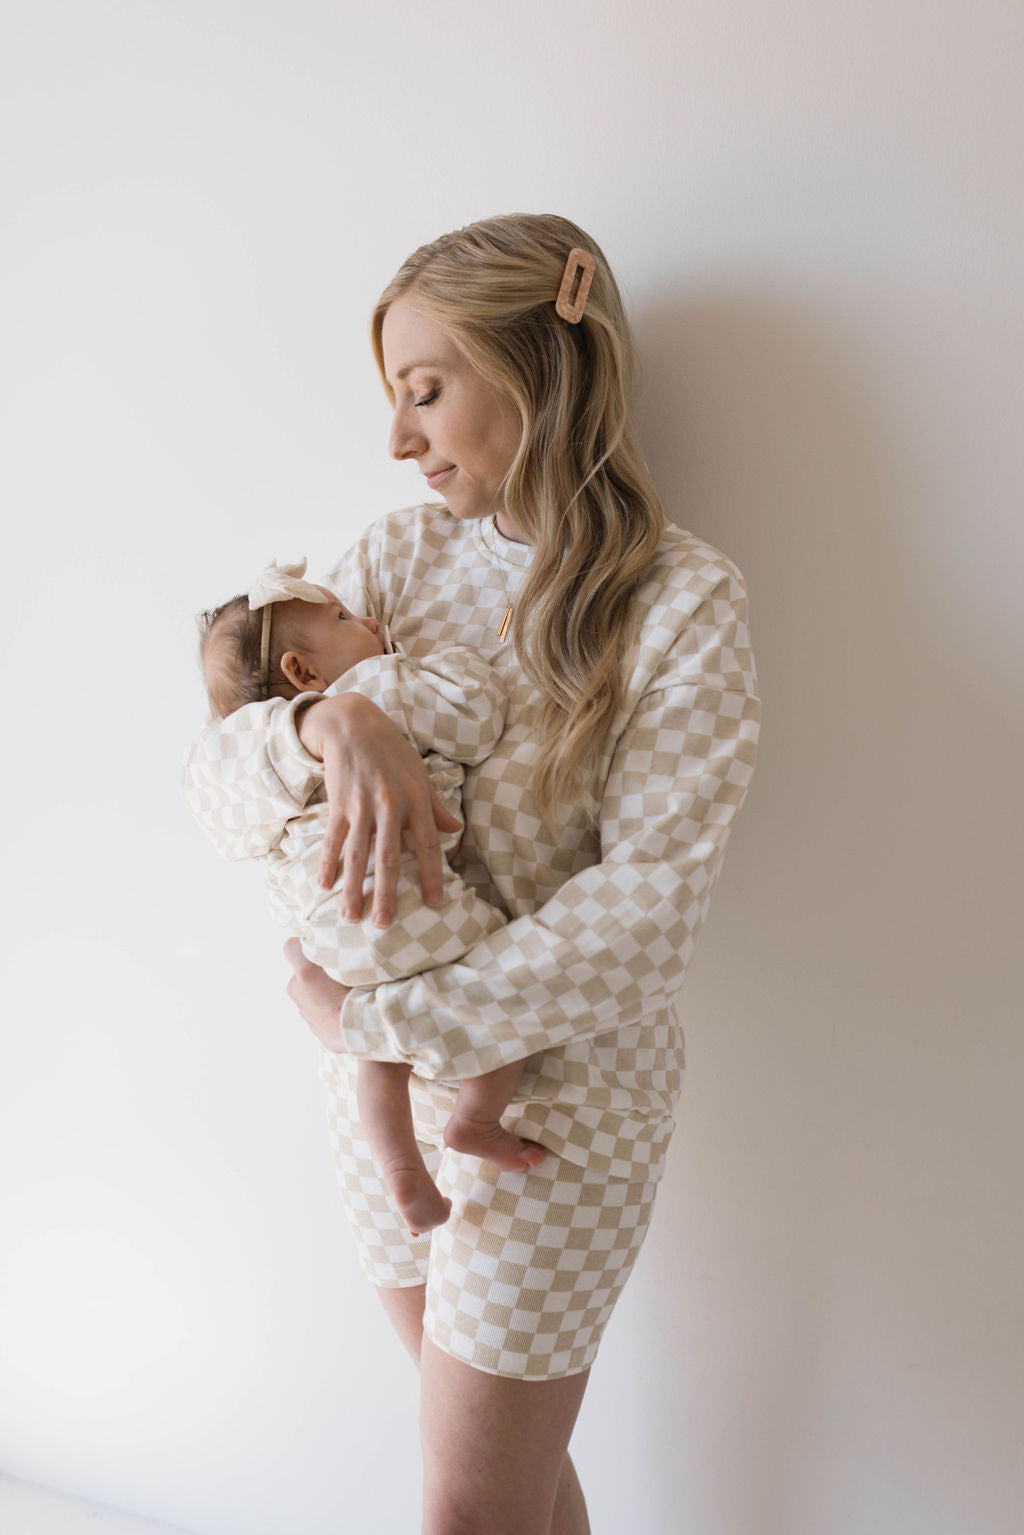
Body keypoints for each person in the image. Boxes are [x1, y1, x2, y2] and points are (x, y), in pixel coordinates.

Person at [184, 213, 760, 1535]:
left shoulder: (682, 604)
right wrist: (323, 721)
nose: (398, 438)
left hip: (556, 1121)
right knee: (509, 1484)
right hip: (379, 1109)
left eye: (425, 389)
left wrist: (370, 1022)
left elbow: (646, 914)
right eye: (392, 397)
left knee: (465, 1500)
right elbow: (215, 782)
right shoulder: (390, 560)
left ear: (542, 369)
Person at [192, 559, 546, 1236]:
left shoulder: (274, 754)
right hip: (416, 911)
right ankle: (474, 1121)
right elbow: (477, 718)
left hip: (333, 936)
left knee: (376, 1058)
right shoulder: (383, 683)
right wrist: (450, 662)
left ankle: (400, 1169)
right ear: (302, 672)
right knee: (510, 1018)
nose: (374, 622)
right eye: (345, 620)